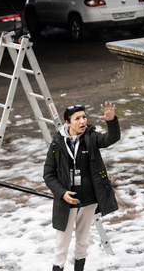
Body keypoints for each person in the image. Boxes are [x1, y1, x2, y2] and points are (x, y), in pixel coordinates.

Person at [44, 102, 120, 271]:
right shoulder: (57, 144)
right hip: (67, 200)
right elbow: (48, 175)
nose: (82, 121)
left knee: (82, 240)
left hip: (89, 199)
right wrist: (62, 193)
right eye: (77, 118)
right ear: (67, 123)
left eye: (84, 117)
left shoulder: (91, 137)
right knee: (62, 244)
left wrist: (112, 121)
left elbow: (111, 138)